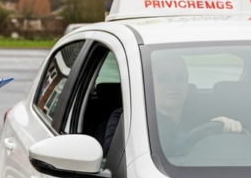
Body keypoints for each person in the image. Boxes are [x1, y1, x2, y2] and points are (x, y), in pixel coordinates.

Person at [102, 54, 241, 157]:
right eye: (164, 79)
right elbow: (114, 161)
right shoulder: (128, 118)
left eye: (180, 78)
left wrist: (226, 127)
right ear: (148, 83)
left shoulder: (204, 114)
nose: (173, 86)